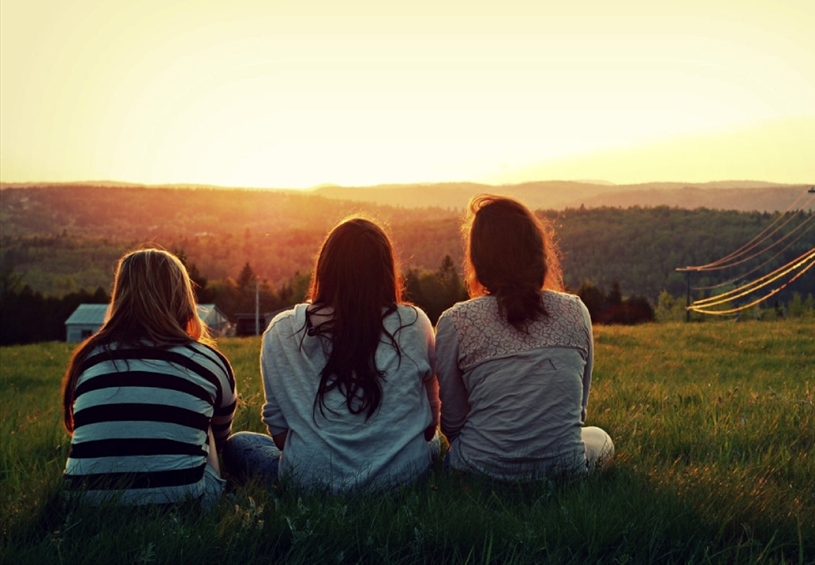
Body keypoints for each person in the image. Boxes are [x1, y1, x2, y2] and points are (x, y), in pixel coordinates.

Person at [222, 217, 440, 492]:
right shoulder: (415, 323)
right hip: (401, 480)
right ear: (385, 273)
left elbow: (280, 436)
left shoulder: (281, 331)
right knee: (429, 443)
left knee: (239, 444)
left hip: (311, 483)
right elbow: (431, 426)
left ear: (324, 270)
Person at [434, 195, 614, 480]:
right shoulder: (576, 311)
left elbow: (452, 423)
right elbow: (577, 412)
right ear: (536, 251)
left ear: (478, 260)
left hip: (476, 471)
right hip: (564, 470)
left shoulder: (455, 321)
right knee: (600, 439)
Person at [61, 248, 237, 507]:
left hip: (83, 505)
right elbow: (221, 440)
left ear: (120, 296)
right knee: (206, 424)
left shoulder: (89, 358)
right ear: (182, 297)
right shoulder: (208, 360)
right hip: (183, 505)